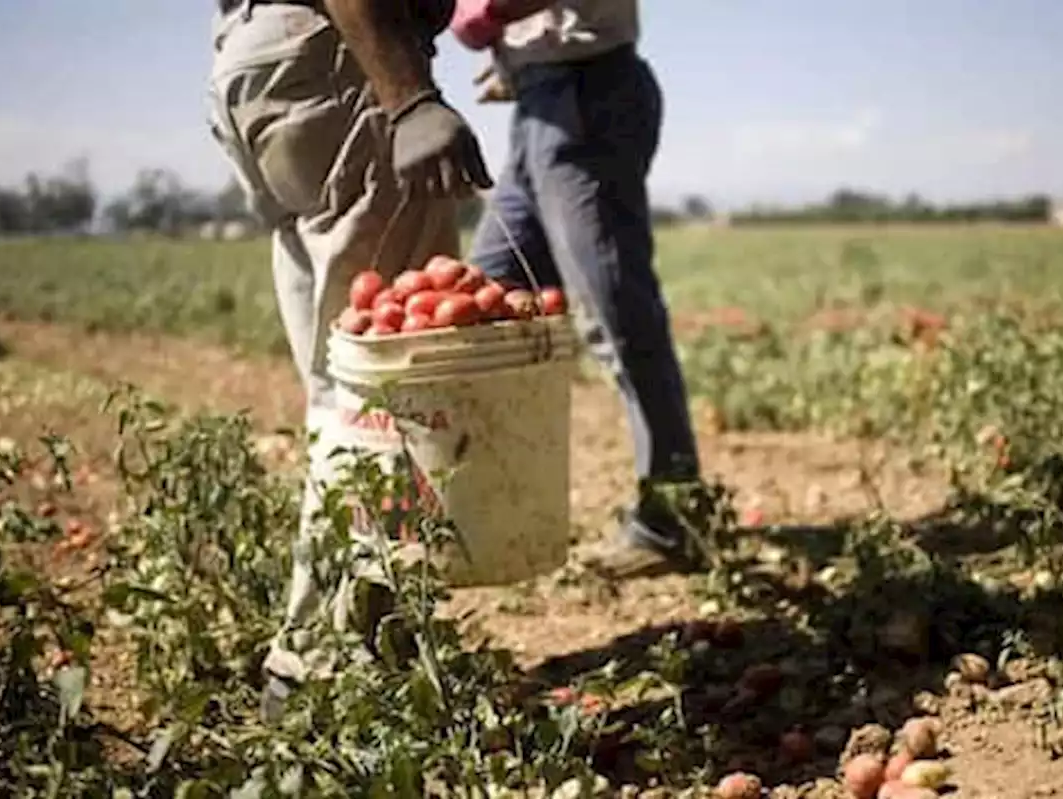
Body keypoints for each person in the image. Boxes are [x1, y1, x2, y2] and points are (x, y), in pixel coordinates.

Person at [205, 0, 492, 720]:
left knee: (344, 389)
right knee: (385, 393)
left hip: (262, 65)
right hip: (342, 62)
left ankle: (362, 644)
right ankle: (321, 668)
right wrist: (411, 97)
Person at [450, 0, 706, 579]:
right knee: (487, 297)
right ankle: (495, 507)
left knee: (616, 313)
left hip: (588, 94)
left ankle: (673, 519)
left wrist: (482, 14)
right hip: (540, 100)